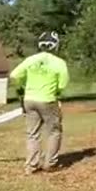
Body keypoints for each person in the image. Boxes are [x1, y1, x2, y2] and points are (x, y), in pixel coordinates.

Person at [10, 31, 69, 175]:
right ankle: (50, 164)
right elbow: (63, 83)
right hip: (48, 99)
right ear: (55, 45)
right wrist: (57, 93)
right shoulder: (59, 62)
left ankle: (31, 166)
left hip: (29, 99)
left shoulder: (30, 60)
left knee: (32, 134)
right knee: (54, 131)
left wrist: (21, 89)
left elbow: (14, 75)